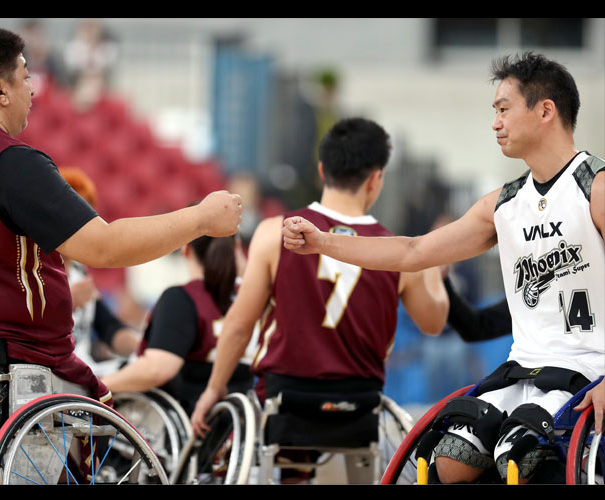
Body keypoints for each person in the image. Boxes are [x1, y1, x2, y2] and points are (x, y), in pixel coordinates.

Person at [282, 52, 605, 484]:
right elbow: (413, 252)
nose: (495, 122)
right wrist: (322, 242)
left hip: (587, 373)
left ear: (545, 110)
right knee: (451, 454)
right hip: (521, 371)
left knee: (523, 456)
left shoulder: (594, 188)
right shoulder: (502, 204)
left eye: (504, 109)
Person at [0, 26, 241, 420]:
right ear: (0, 91)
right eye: (27, 77)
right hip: (6, 366)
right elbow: (104, 247)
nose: (32, 91)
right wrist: (200, 217)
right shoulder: (11, 162)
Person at [191, 117, 450, 483]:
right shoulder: (396, 251)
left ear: (320, 170)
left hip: (286, 404)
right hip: (359, 407)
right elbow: (434, 322)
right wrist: (434, 268)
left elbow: (238, 326)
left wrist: (214, 388)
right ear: (376, 178)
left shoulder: (273, 232)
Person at [102, 233, 256, 414]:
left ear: (186, 249)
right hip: (248, 413)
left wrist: (100, 385)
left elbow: (157, 369)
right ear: (237, 247)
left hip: (191, 416)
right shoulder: (258, 298)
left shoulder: (184, 298)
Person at [58, 167, 140, 376]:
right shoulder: (32, 270)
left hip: (85, 369)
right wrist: (68, 302)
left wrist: (144, 349)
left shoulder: (80, 273)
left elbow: (109, 328)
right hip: (53, 373)